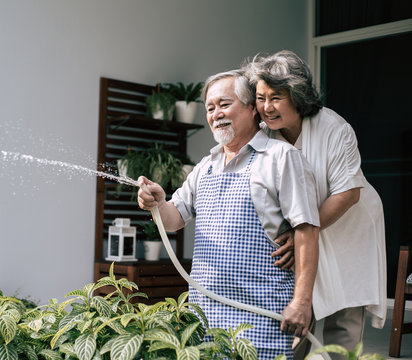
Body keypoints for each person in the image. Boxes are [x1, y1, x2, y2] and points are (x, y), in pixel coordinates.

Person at [137, 69, 320, 360]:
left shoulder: (281, 158)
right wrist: (158, 203)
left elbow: (308, 231)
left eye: (224, 104)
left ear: (252, 109)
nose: (216, 114)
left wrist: (302, 302)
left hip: (261, 315)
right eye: (210, 108)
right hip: (204, 317)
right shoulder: (205, 167)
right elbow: (174, 219)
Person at [246, 50, 387, 359]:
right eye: (260, 97)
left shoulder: (334, 129)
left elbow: (348, 194)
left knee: (344, 318)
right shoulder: (263, 135)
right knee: (297, 315)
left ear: (298, 95)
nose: (266, 108)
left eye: (276, 97)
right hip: (305, 230)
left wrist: (301, 233)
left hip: (350, 224)